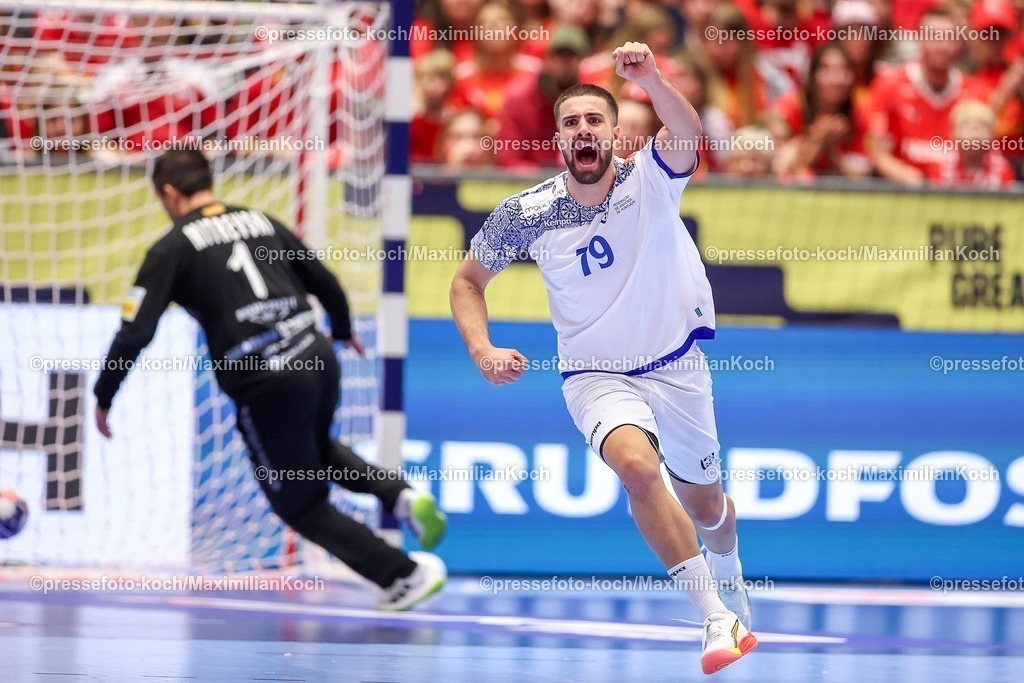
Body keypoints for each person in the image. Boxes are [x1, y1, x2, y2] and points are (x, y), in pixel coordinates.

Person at [449, 42, 757, 676]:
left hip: (675, 365)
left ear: (615, 134)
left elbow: (687, 132)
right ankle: (713, 617)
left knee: (708, 509)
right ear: (558, 139)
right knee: (638, 469)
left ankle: (729, 572)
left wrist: (652, 78)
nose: (583, 130)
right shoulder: (527, 212)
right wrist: (481, 347)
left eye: (595, 120)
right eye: (571, 122)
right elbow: (466, 282)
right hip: (594, 374)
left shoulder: (651, 175)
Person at [93, 149, 447, 611]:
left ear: (169, 193)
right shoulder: (260, 221)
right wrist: (342, 330)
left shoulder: (172, 248)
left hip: (266, 379)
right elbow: (324, 279)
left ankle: (404, 575)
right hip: (317, 355)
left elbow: (135, 331)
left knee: (300, 504)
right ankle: (400, 496)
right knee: (315, 451)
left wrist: (104, 394)